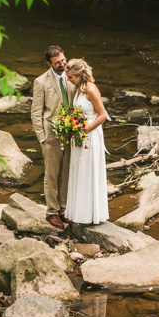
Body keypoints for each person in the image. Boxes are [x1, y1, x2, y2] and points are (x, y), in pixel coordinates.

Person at [31, 45, 75, 229]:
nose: (62, 64)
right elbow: (36, 112)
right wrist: (42, 137)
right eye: (57, 63)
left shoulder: (71, 76)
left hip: (70, 134)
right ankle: (51, 212)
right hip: (51, 136)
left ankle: (63, 209)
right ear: (49, 63)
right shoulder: (41, 82)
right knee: (51, 175)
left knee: (65, 173)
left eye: (63, 60)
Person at [63, 59, 109, 225]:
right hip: (80, 135)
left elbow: (103, 114)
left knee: (88, 172)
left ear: (79, 75)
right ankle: (79, 214)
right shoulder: (78, 89)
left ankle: (91, 215)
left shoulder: (91, 89)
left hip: (90, 135)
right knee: (78, 172)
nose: (69, 80)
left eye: (71, 77)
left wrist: (85, 130)